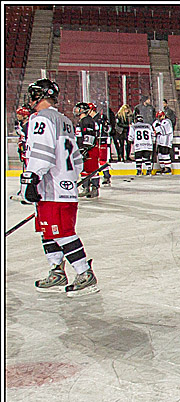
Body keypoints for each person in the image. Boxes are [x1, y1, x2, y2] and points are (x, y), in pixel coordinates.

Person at [20, 78, 98, 296]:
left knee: (62, 232)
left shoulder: (40, 119)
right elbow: (77, 159)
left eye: (33, 94)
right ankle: (57, 270)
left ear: (39, 96)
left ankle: (84, 273)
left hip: (52, 187)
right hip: (60, 186)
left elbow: (42, 153)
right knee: (48, 230)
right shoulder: (64, 120)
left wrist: (32, 178)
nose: (30, 99)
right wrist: (69, 179)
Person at [73, 101, 100, 199]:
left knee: (92, 168)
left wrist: (85, 148)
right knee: (84, 169)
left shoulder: (87, 121)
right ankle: (86, 188)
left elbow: (90, 136)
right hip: (84, 148)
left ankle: (94, 188)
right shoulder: (83, 121)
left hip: (90, 149)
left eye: (78, 109)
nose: (76, 110)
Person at [90, 103, 112, 186]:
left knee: (102, 159)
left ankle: (106, 176)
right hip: (95, 141)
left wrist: (104, 127)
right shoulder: (91, 119)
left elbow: (109, 128)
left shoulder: (100, 118)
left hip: (102, 140)